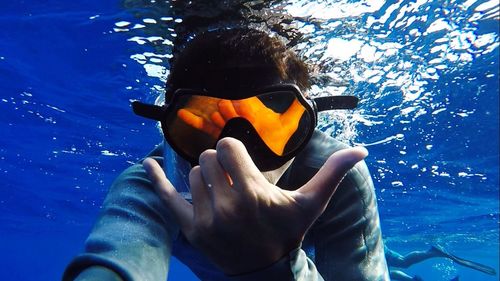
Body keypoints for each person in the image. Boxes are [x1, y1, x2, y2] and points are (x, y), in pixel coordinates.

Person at [63, 28, 389, 280]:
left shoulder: (336, 171)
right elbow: (115, 259)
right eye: (203, 129)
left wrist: (269, 265)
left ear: (306, 124)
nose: (235, 152)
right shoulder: (155, 182)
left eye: (269, 127)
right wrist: (270, 264)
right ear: (169, 128)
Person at [385, 244, 496, 281]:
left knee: (402, 262)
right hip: (378, 247)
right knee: (387, 272)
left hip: (374, 249)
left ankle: (432, 253)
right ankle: (413, 280)